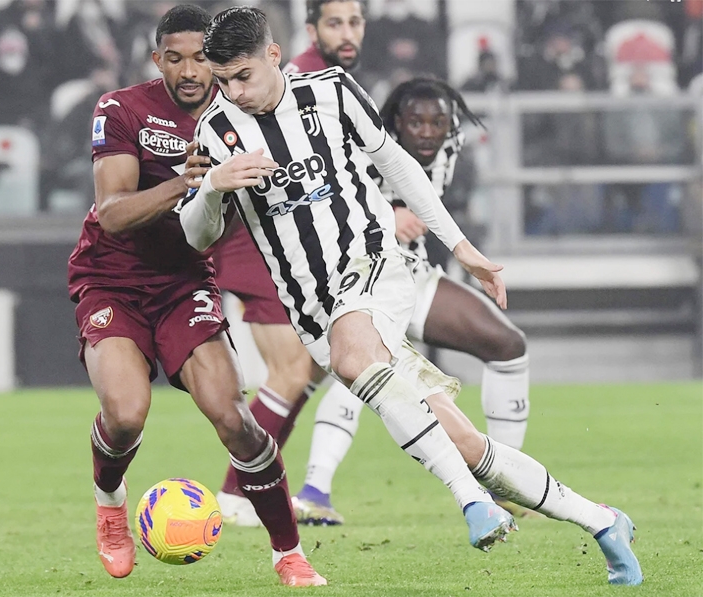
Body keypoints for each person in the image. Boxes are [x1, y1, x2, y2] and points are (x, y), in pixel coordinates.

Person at [180, 7, 643, 585]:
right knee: (467, 442)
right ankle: (602, 521)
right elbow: (196, 234)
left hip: (376, 262)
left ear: (274, 56)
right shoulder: (213, 132)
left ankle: (470, 503)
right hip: (313, 310)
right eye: (223, 80)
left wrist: (462, 246)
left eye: (243, 76)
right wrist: (213, 191)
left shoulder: (332, 92)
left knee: (356, 356)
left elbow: (397, 166)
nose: (233, 91)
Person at [66, 5, 325, 587]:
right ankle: (111, 504)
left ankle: (288, 552)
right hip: (112, 279)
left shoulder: (241, 114)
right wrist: (189, 181)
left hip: (185, 282)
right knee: (127, 414)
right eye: (175, 58)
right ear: (156, 59)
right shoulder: (123, 108)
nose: (189, 71)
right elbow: (111, 213)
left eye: (201, 58)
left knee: (233, 418)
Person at [292, 76, 530, 525]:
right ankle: (313, 491)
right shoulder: (359, 145)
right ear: (394, 123)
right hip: (355, 275)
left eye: (437, 122)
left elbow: (428, 203)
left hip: (410, 272)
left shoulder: (451, 147)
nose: (427, 131)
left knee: (508, 346)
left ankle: (505, 483)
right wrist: (388, 213)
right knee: (363, 372)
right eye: (416, 122)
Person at [212, 0, 368, 527]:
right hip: (263, 239)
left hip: (298, 240)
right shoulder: (295, 80)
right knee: (294, 368)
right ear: (308, 31)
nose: (347, 33)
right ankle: (237, 492)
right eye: (335, 23)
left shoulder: (332, 80)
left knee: (317, 364)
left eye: (354, 22)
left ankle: (253, 487)